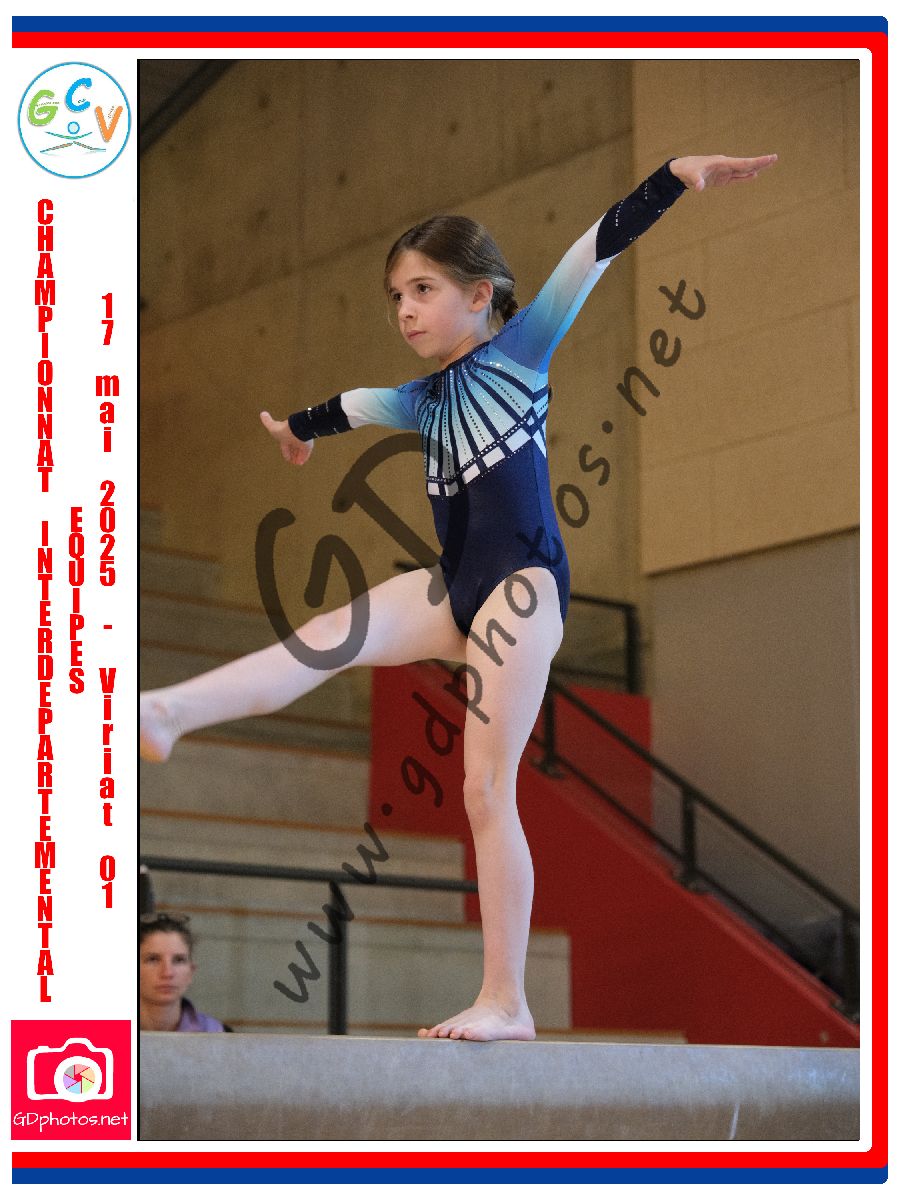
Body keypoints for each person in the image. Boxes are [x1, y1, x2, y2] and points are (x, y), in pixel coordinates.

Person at [141, 153, 778, 1042]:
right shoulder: (421, 398)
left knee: (483, 788)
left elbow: (595, 248)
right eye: (396, 295)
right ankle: (166, 712)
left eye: (423, 289)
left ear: (481, 295)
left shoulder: (523, 350)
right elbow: (356, 405)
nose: (405, 309)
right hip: (459, 585)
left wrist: (675, 174)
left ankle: (507, 1000)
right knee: (332, 630)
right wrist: (296, 432)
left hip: (524, 583)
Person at [139, 912, 231, 1032]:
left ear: (191, 972)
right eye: (153, 959)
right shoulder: (114, 1032)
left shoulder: (217, 1033)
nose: (167, 973)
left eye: (178, 960)